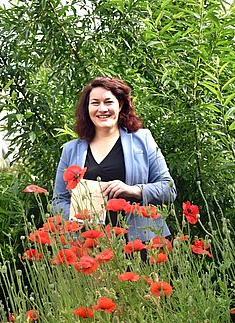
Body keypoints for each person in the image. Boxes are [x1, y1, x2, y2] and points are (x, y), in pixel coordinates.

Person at [53, 76, 176, 241]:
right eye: (95, 103)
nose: (102, 109)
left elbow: (169, 190)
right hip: (90, 246)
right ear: (87, 109)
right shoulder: (71, 150)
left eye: (108, 102)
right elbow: (59, 200)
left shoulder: (143, 140)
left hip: (142, 242)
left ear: (121, 105)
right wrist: (77, 218)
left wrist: (134, 190)